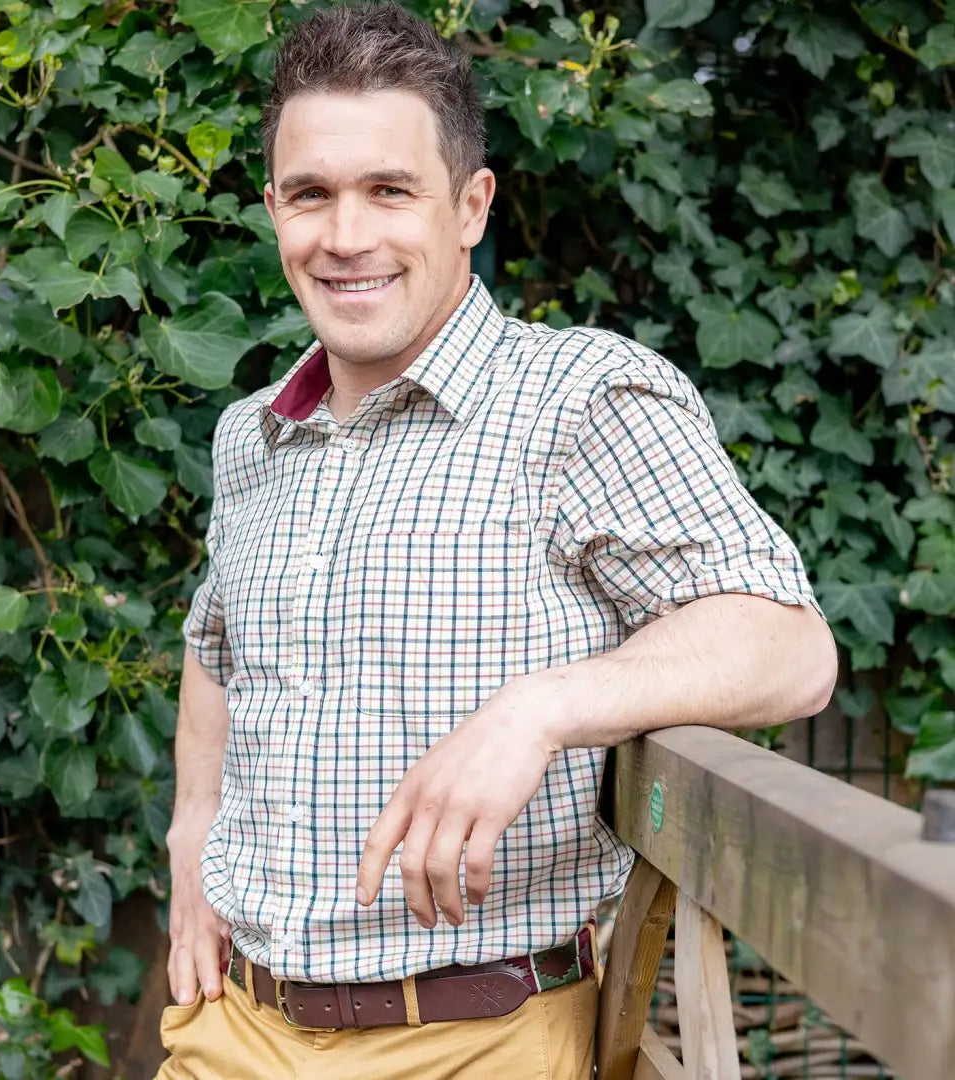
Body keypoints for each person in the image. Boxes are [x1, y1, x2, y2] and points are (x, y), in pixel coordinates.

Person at [156, 4, 837, 1078]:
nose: (345, 236)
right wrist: (190, 834)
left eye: (390, 190)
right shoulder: (253, 434)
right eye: (311, 195)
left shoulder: (582, 399)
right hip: (230, 1030)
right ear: (274, 211)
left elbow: (788, 645)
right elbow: (216, 645)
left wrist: (538, 711)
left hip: (480, 1041)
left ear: (470, 205)